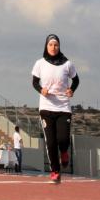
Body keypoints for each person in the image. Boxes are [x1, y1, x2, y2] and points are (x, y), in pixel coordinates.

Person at [32, 34, 79, 184]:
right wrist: (41, 90)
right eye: (51, 45)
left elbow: (76, 80)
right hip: (46, 107)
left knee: (63, 139)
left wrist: (72, 90)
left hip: (63, 107)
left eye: (56, 45)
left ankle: (64, 151)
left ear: (59, 47)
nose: (53, 47)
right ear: (46, 46)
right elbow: (34, 82)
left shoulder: (67, 64)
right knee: (51, 142)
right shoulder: (40, 63)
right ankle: (55, 171)